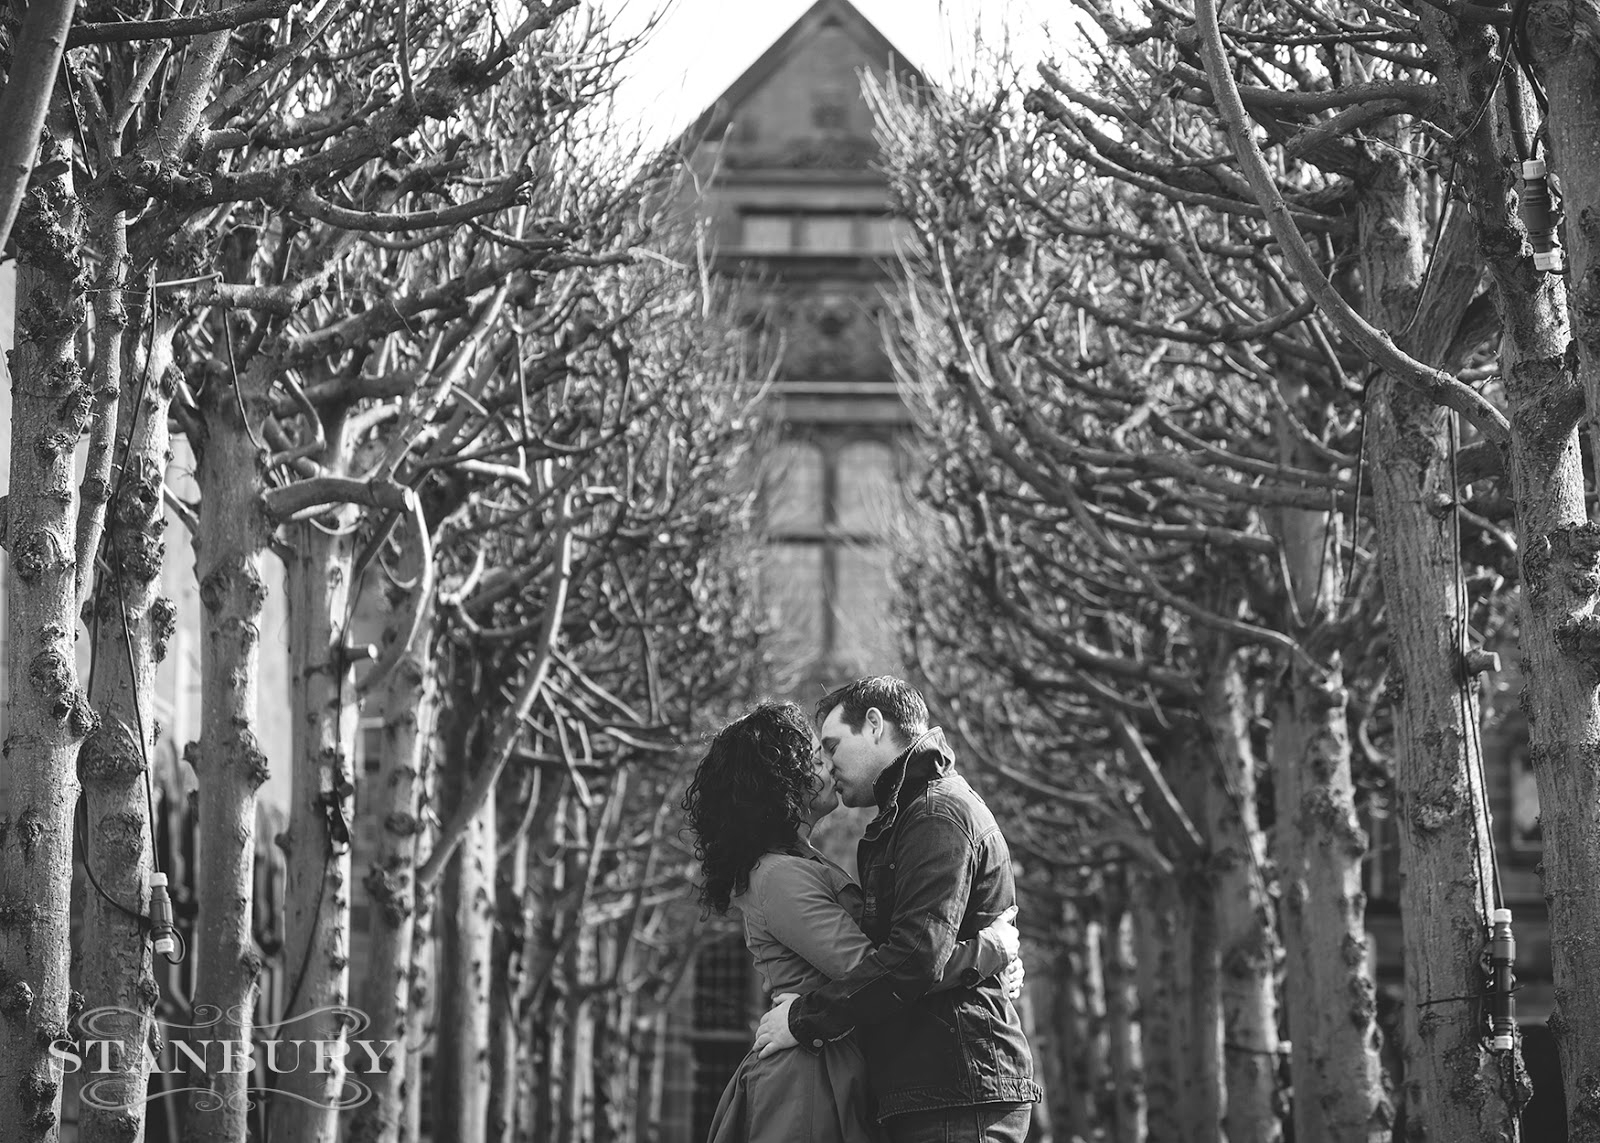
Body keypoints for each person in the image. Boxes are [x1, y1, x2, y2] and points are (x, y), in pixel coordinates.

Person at [682, 701, 1024, 1143]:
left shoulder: (800, 863)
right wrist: (987, 953)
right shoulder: (780, 876)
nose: (829, 766)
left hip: (834, 1059)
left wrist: (990, 964)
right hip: (808, 1078)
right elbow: (883, 967)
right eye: (814, 759)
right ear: (778, 781)